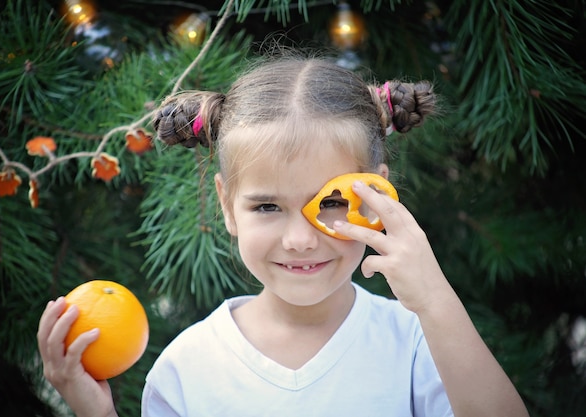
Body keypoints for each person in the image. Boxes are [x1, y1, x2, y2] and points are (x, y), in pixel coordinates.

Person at [37, 53, 530, 417]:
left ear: (378, 193)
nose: (299, 239)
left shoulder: (423, 343)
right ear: (228, 205)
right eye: (268, 206)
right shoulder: (187, 368)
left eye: (331, 202)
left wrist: (436, 299)